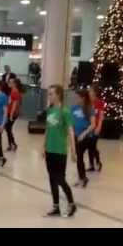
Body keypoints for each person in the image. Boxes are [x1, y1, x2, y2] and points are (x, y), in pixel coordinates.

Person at [41, 84, 77, 218]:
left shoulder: (65, 111)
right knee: (51, 178)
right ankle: (55, 206)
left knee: (60, 179)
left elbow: (70, 131)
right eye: (48, 93)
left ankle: (72, 204)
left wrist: (73, 150)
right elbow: (47, 129)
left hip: (60, 150)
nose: (49, 96)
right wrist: (43, 146)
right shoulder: (50, 111)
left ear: (58, 95)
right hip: (49, 149)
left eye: (51, 94)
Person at [70, 89, 96, 188]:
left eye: (78, 97)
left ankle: (84, 176)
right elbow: (71, 123)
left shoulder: (90, 108)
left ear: (83, 98)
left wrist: (84, 134)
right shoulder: (73, 108)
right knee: (79, 158)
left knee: (82, 156)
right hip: (77, 137)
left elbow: (93, 125)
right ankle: (82, 178)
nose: (76, 99)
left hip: (87, 137)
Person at [88, 85, 105, 172]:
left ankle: (98, 162)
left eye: (90, 91)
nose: (89, 92)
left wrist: (99, 127)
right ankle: (91, 165)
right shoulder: (88, 102)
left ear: (95, 92)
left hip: (96, 127)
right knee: (89, 146)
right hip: (88, 127)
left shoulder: (100, 102)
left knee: (93, 146)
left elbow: (101, 116)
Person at [5, 78, 23, 152]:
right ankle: (11, 144)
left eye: (11, 82)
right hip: (10, 113)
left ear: (15, 84)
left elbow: (14, 105)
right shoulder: (12, 91)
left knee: (8, 129)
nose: (9, 83)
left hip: (12, 113)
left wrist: (11, 115)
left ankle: (13, 144)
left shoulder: (15, 92)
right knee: (8, 129)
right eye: (9, 81)